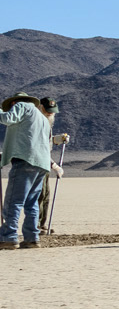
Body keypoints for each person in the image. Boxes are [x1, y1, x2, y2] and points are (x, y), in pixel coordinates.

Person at [0, 94, 61, 251]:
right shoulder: (42, 119)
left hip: (25, 160)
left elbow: (7, 119)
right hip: (41, 164)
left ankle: (9, 237)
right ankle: (31, 238)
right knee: (31, 202)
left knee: (13, 201)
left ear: (14, 102)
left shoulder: (23, 106)